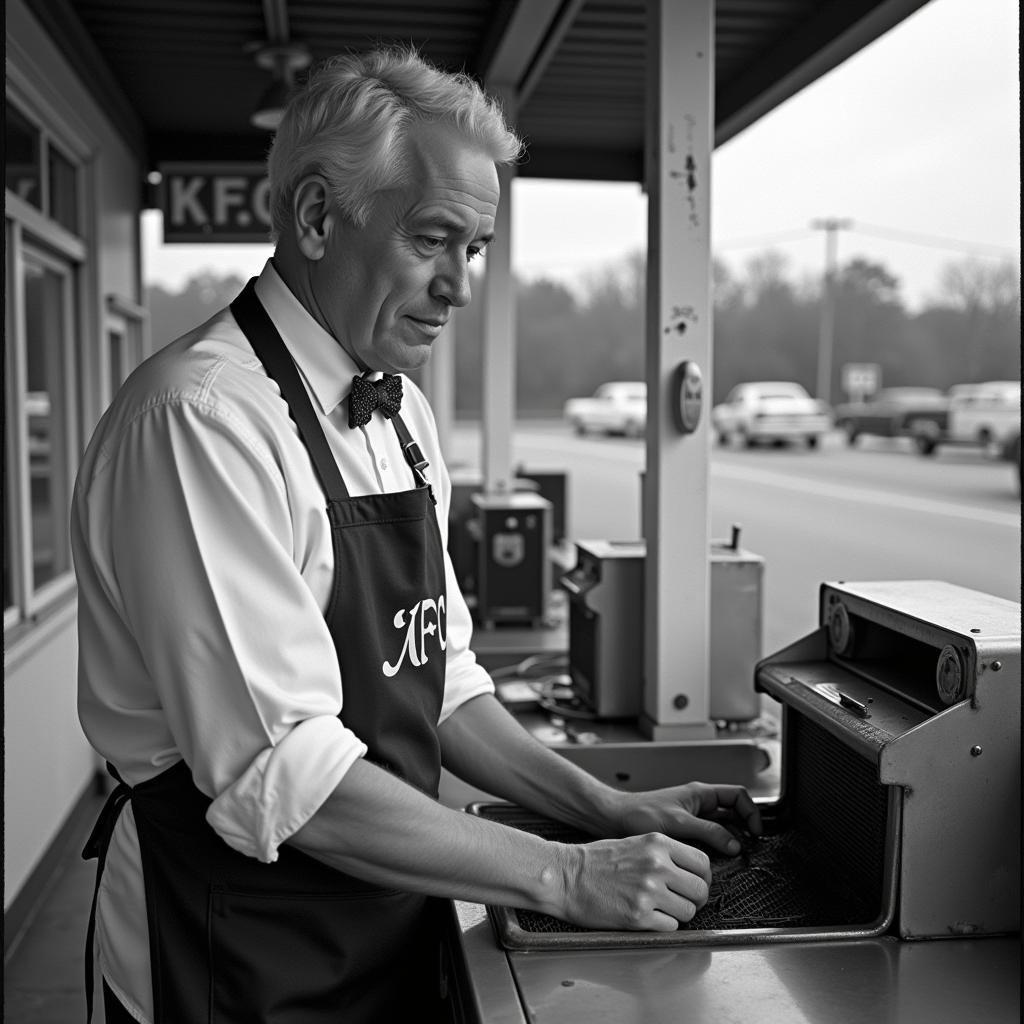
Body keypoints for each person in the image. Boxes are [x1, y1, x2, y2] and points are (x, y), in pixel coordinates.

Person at [74, 46, 761, 1024]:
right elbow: (283, 769)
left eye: (474, 249)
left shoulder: (400, 414)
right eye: (434, 240)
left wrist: (606, 808)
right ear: (317, 218)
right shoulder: (200, 422)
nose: (460, 286)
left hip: (381, 915)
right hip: (229, 946)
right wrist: (566, 874)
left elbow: (446, 686)